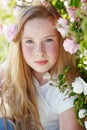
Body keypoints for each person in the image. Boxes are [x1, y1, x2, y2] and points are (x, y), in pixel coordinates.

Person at [0, 0, 85, 130]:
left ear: (60, 41)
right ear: (19, 45)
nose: (39, 52)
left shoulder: (65, 89)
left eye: (48, 40)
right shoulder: (17, 65)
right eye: (29, 41)